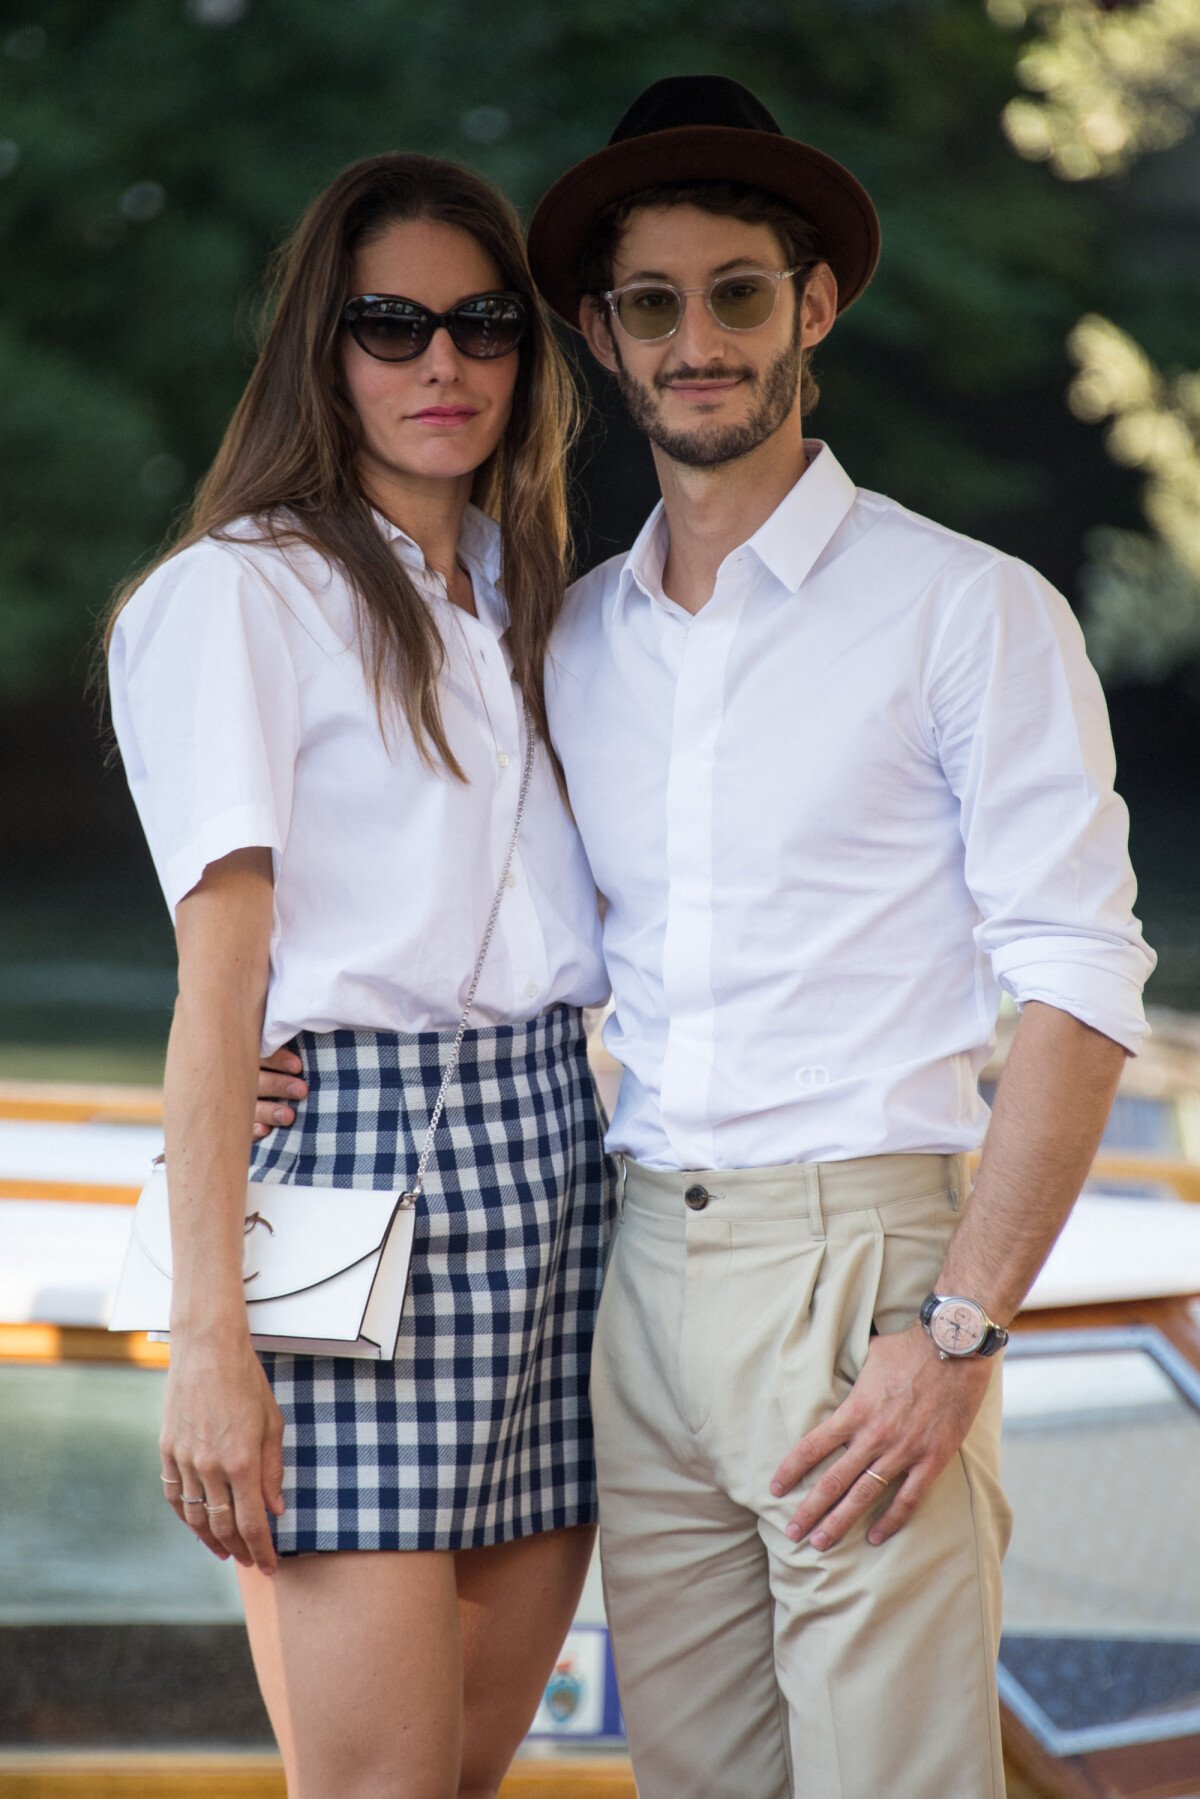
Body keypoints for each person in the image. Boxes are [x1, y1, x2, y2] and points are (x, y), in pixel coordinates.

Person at [522, 76, 1153, 1798]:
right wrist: (277, 1048)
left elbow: (1083, 979)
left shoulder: (966, 609)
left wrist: (958, 1327)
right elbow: (518, 948)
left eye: (737, 292)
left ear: (813, 304)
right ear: (601, 338)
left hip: (868, 1272)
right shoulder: (576, 638)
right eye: (651, 305)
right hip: (639, 1277)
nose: (696, 340)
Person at [105, 151, 610, 1799]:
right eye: (392, 326)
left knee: (463, 1773)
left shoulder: (527, 598)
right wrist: (209, 1342)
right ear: (323, 347)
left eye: (483, 326)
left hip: (557, 1172)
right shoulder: (238, 598)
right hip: (345, 1185)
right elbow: (220, 981)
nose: (442, 366)